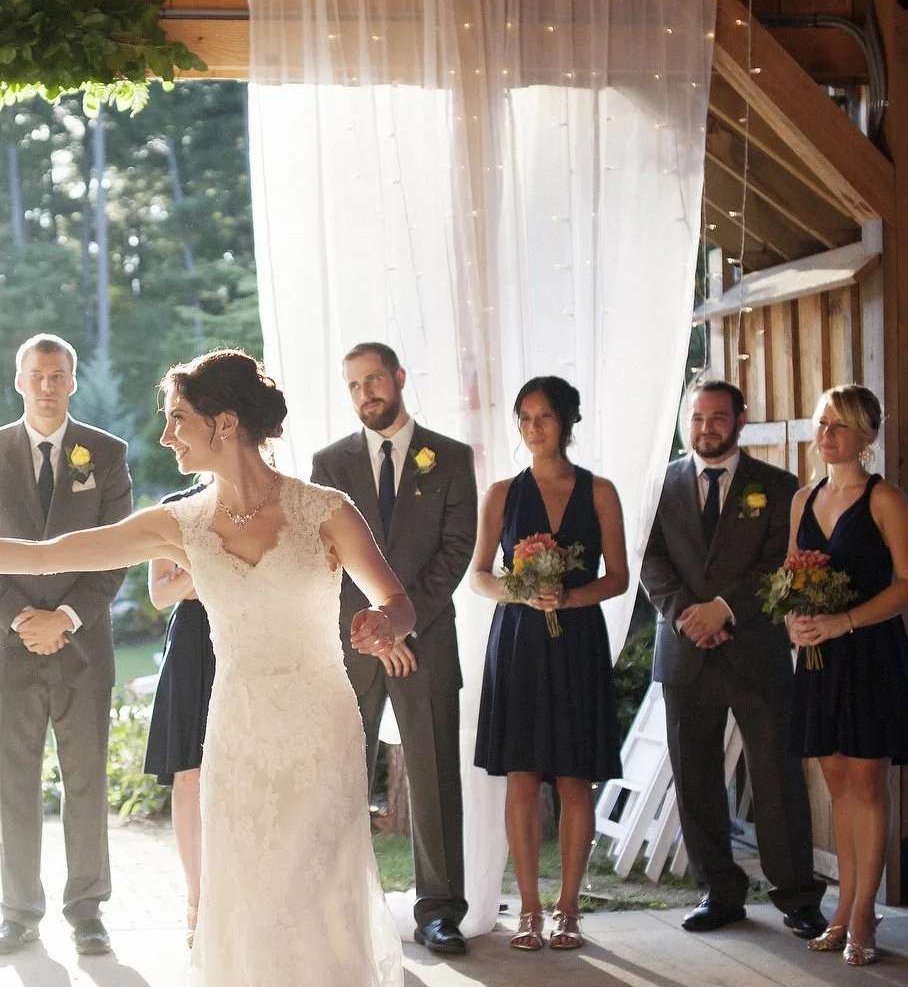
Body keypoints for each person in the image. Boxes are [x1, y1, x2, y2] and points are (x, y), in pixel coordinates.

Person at [0, 349, 412, 985]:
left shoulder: (326, 510)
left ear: (225, 422)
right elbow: (45, 555)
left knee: (323, 883)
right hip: (239, 724)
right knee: (249, 886)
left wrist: (383, 623)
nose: (165, 434)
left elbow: (397, 601)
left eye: (178, 418)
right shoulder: (179, 523)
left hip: (321, 725)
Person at [0, 333, 133, 957]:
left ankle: (87, 911)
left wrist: (65, 617)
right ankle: (18, 912)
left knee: (85, 781)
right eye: (37, 375)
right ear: (19, 381)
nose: (48, 386)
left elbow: (118, 554)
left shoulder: (105, 454)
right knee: (16, 786)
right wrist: (22, 619)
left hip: (83, 647)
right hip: (8, 648)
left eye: (59, 375)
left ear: (73, 381)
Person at [640, 380, 825, 940]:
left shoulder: (778, 486)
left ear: (740, 420)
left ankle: (796, 897)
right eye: (696, 418)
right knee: (694, 779)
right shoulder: (660, 484)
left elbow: (781, 562)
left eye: (718, 418)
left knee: (777, 778)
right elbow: (649, 560)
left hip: (756, 653)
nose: (706, 428)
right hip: (685, 652)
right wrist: (687, 615)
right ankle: (719, 893)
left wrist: (723, 609)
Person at [311, 342, 475, 955]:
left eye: (374, 380)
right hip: (352, 647)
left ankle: (438, 911)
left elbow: (457, 550)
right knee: (342, 774)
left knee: (433, 777)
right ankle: (345, 905)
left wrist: (402, 625)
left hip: (427, 640)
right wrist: (374, 632)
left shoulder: (451, 459)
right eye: (353, 385)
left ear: (399, 378)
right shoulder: (328, 463)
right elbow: (325, 554)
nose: (365, 394)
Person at [469, 375, 626, 952]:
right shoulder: (502, 494)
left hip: (578, 639)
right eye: (525, 419)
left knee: (574, 777)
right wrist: (519, 592)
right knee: (523, 776)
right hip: (518, 644)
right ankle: (529, 908)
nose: (534, 429)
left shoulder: (600, 491)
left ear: (567, 422)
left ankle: (569, 909)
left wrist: (570, 597)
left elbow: (619, 576)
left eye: (545, 418)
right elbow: (480, 574)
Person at [785, 384, 908, 968]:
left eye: (838, 425)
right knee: (836, 785)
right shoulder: (802, 499)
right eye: (821, 422)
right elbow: (790, 576)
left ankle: (864, 913)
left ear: (868, 436)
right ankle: (843, 905)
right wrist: (796, 622)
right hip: (818, 659)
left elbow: (907, 585)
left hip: (871, 655)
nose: (825, 434)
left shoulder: (886, 500)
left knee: (867, 784)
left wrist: (846, 622)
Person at [141, 482, 216, 947]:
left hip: (250, 636)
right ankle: (197, 900)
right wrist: (215, 562)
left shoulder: (267, 497)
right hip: (192, 644)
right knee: (189, 774)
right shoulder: (173, 510)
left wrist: (191, 570)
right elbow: (160, 594)